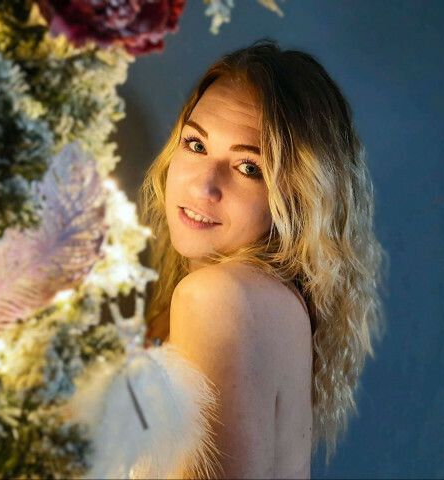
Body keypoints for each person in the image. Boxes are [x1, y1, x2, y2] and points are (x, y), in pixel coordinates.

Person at [138, 38, 388, 479]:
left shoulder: (219, 297)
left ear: (297, 196)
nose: (203, 186)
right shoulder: (270, 302)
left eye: (249, 168)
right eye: (196, 144)